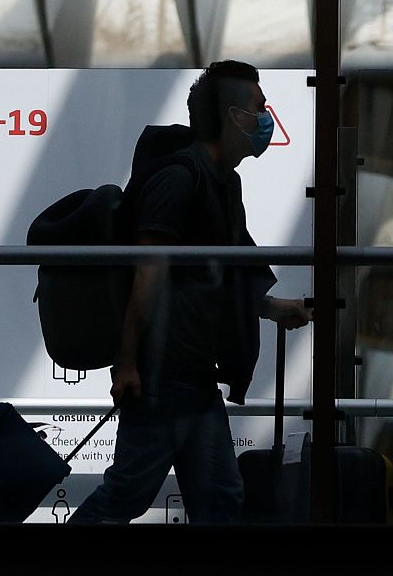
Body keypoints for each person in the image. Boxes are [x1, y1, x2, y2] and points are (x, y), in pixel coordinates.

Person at [70, 60, 313, 524]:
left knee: (219, 498)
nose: (266, 119)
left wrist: (272, 307)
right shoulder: (179, 178)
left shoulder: (224, 183)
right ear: (232, 116)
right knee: (128, 496)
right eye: (258, 108)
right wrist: (126, 362)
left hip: (195, 377)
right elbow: (149, 272)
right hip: (164, 373)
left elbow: (215, 275)